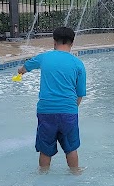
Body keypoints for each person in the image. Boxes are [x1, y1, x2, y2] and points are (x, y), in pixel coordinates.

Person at [17, 26, 86, 173]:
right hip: (68, 111)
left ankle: (43, 174)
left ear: (54, 41)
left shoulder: (45, 57)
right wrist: (72, 108)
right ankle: (75, 173)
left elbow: (27, 66)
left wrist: (21, 71)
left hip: (46, 111)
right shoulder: (78, 64)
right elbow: (80, 93)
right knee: (71, 148)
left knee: (45, 149)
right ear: (72, 43)